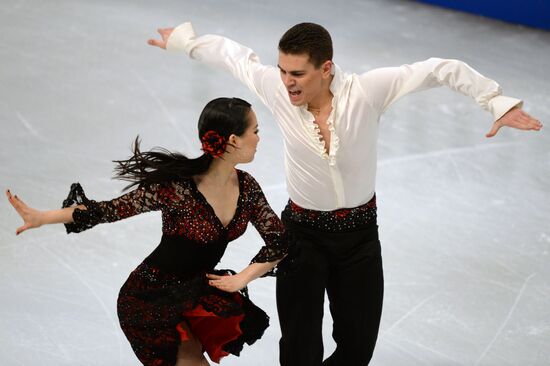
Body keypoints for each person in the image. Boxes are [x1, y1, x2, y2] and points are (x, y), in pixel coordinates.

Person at [147, 22, 543, 366]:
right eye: (283, 70)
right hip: (301, 237)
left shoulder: (368, 91)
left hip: (359, 239)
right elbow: (235, 57)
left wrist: (495, 101)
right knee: (300, 350)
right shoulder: (277, 89)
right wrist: (185, 42)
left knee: (357, 348)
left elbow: (439, 69)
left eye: (298, 73)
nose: (287, 81)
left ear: (326, 69)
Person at [5, 97, 288, 366]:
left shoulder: (247, 187)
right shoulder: (178, 189)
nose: (259, 138)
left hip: (191, 295)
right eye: (256, 130)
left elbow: (279, 241)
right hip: (148, 300)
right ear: (234, 140)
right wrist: (43, 217)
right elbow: (109, 210)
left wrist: (243, 277)